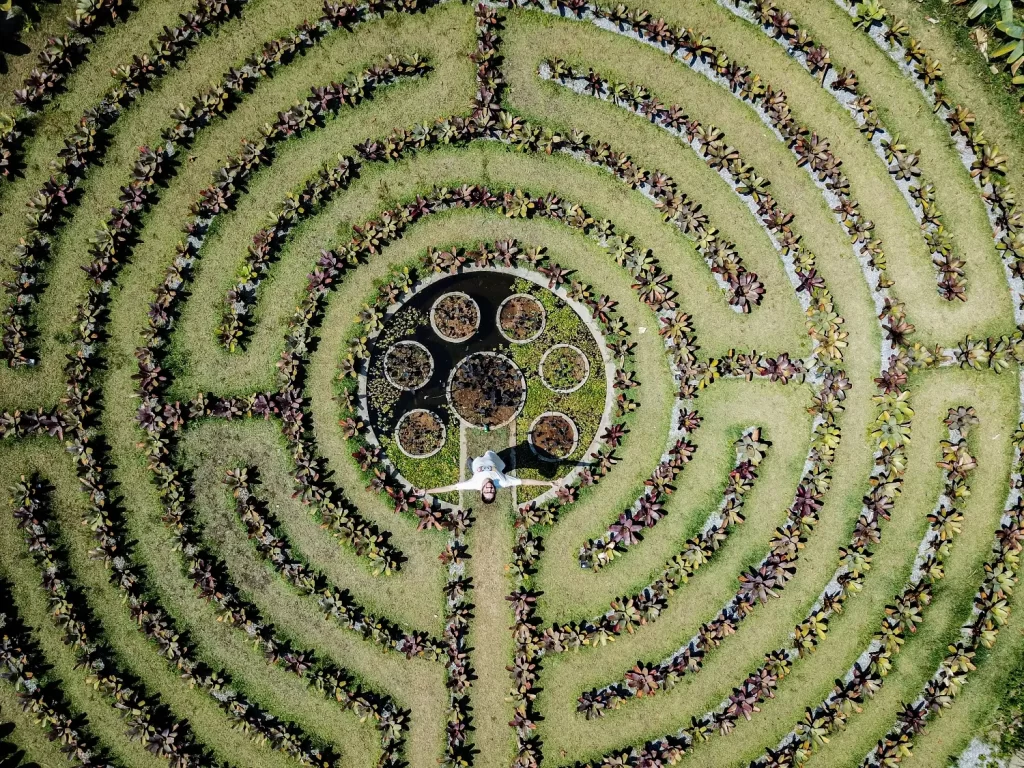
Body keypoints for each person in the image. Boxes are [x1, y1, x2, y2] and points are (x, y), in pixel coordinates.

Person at [424, 450, 553, 504]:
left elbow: (450, 488)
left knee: (473, 465)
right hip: (495, 461)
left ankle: (471, 465)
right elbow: (525, 481)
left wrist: (426, 491)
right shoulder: (503, 482)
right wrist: (548, 484)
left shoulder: (473, 484)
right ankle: (505, 462)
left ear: (481, 491)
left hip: (477, 465)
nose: (489, 489)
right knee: (504, 463)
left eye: (486, 491)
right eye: (492, 491)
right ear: (495, 490)